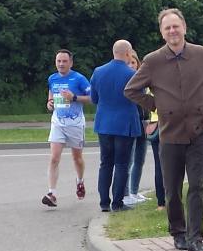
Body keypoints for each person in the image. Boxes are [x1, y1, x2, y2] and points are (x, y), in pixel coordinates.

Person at [125, 8, 203, 251]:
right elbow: (131, 90)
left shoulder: (201, 55)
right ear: (162, 32)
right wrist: (156, 105)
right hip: (170, 134)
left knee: (197, 186)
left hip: (198, 132)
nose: (172, 31)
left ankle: (196, 238)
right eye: (167, 28)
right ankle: (178, 232)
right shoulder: (153, 61)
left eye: (176, 26)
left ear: (184, 28)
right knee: (172, 189)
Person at [91, 40, 143, 213]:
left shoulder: (98, 72)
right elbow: (140, 97)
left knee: (105, 163)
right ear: (128, 53)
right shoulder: (132, 74)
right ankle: (118, 202)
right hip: (125, 123)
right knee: (122, 164)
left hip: (104, 123)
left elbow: (94, 99)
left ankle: (104, 202)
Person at [41, 49, 92, 208]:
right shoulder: (52, 78)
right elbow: (51, 96)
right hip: (58, 122)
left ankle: (80, 181)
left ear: (71, 63)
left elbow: (92, 98)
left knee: (77, 158)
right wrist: (49, 104)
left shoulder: (79, 79)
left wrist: (74, 97)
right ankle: (52, 194)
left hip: (75, 123)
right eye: (58, 61)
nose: (61, 64)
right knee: (54, 158)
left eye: (64, 61)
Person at [122, 47, 151, 208]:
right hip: (130, 123)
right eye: (129, 63)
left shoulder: (143, 81)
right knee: (129, 159)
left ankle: (134, 190)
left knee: (140, 158)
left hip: (143, 121)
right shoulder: (125, 82)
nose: (132, 65)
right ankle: (125, 193)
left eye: (134, 62)